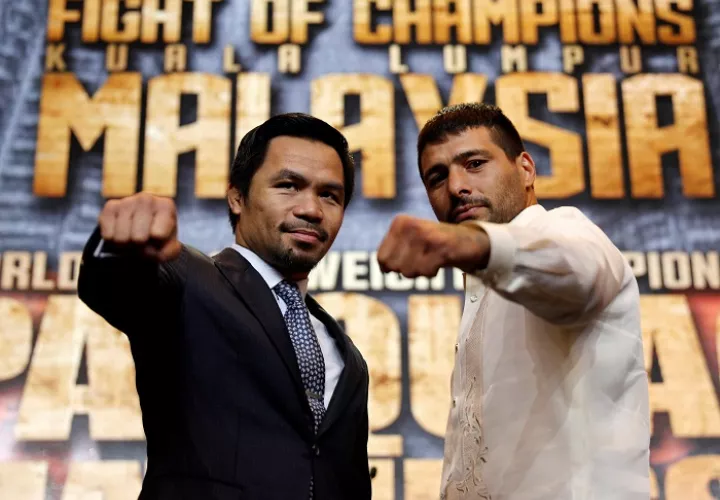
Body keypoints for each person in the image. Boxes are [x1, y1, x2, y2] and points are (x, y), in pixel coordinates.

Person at [77, 113, 372, 500]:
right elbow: (118, 285)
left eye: (329, 195)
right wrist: (120, 243)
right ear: (237, 196)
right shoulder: (188, 279)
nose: (311, 209)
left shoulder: (347, 356)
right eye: (288, 186)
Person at [377, 103, 650, 499]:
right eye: (437, 177)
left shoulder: (567, 232)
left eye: (474, 163)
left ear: (526, 168)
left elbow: (575, 269)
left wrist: (472, 243)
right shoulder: (483, 290)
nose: (456, 187)